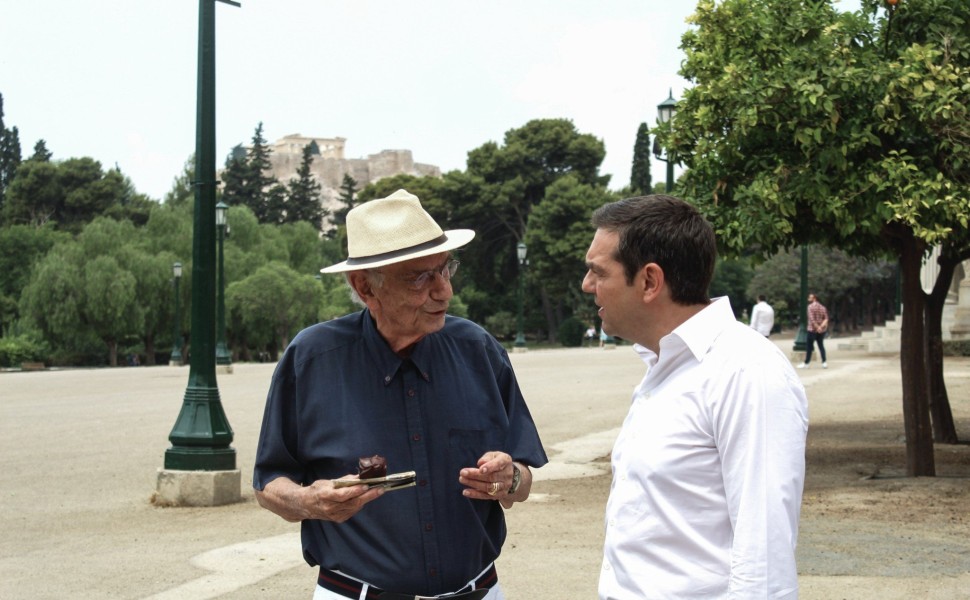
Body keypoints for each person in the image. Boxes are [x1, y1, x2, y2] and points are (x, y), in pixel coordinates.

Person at [253, 189, 548, 600]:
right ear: (365, 287)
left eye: (446, 270)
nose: (444, 291)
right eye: (419, 277)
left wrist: (510, 478)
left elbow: (524, 480)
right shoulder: (312, 358)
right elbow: (268, 483)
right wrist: (309, 502)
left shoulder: (479, 349)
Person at [580, 194, 808, 599]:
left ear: (650, 280)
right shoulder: (666, 365)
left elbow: (765, 553)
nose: (588, 286)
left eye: (599, 273)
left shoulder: (745, 371)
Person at [798, 292, 829, 369]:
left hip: (812, 330)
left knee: (809, 347)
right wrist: (821, 327)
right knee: (821, 346)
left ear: (814, 298)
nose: (808, 299)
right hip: (821, 331)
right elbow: (826, 318)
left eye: (810, 298)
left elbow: (811, 319)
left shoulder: (810, 307)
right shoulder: (822, 307)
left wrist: (817, 327)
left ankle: (806, 363)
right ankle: (824, 362)